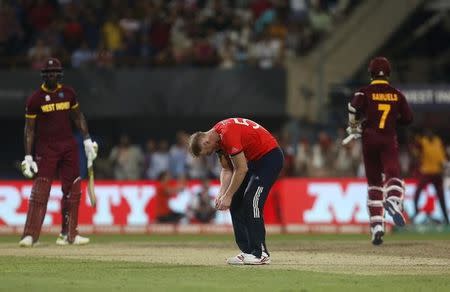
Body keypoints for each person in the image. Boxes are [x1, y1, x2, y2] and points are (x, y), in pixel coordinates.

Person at [19, 58, 98, 247]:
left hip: (69, 146)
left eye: (55, 72)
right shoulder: (35, 99)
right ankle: (30, 235)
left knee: (73, 189)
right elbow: (29, 130)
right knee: (41, 191)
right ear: (44, 75)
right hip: (46, 149)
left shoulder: (68, 93)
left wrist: (87, 139)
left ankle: (69, 234)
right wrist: (28, 156)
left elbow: (78, 117)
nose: (52, 75)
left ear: (59, 74)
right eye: (49, 73)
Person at [188, 118, 284, 265]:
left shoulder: (227, 135)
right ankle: (248, 252)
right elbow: (227, 169)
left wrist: (228, 195)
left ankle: (260, 253)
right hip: (254, 161)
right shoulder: (217, 140)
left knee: (252, 200)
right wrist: (222, 193)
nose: (210, 154)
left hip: (269, 158)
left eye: (207, 152)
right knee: (236, 202)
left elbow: (241, 169)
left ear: (206, 142)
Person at [346, 57, 413, 245]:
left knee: (374, 183)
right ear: (389, 73)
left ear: (371, 73)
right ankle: (393, 199)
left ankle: (377, 226)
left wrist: (354, 126)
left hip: (369, 139)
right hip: (388, 138)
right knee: (394, 174)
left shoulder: (364, 92)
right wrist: (393, 120)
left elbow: (352, 106)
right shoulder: (397, 94)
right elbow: (408, 118)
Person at [412, 129, 449, 224]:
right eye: (427, 133)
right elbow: (417, 150)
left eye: (431, 133)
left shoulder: (437, 141)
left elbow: (441, 156)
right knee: (418, 191)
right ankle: (416, 211)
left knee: (441, 196)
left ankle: (446, 217)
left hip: (437, 173)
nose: (429, 134)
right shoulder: (422, 141)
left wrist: (443, 167)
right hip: (426, 172)